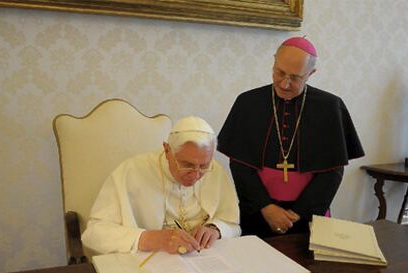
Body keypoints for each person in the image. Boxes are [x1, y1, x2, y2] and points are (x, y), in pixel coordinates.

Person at [217, 36, 364, 237]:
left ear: (311, 73)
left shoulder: (330, 107)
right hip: (258, 212)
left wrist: (298, 213)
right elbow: (239, 163)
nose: (285, 84)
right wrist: (266, 207)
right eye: (280, 73)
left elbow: (333, 170)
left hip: (308, 216)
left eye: (295, 77)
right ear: (274, 62)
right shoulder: (248, 103)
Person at [82, 116, 241, 255]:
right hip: (148, 267)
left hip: (204, 261)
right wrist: (147, 238)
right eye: (187, 165)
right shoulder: (132, 171)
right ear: (167, 150)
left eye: (204, 166)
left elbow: (233, 224)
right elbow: (94, 234)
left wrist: (216, 229)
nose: (196, 174)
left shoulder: (216, 171)